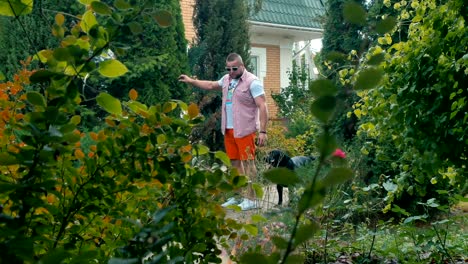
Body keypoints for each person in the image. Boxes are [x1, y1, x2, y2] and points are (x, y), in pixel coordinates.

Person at [179, 53, 268, 210]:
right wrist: (192, 81)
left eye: (234, 68)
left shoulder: (252, 82)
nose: (231, 71)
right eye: (228, 69)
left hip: (245, 129)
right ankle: (239, 196)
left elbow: (263, 106)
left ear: (242, 66)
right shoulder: (227, 79)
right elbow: (211, 85)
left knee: (248, 164)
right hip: (229, 129)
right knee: (234, 163)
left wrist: (263, 131)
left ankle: (252, 199)